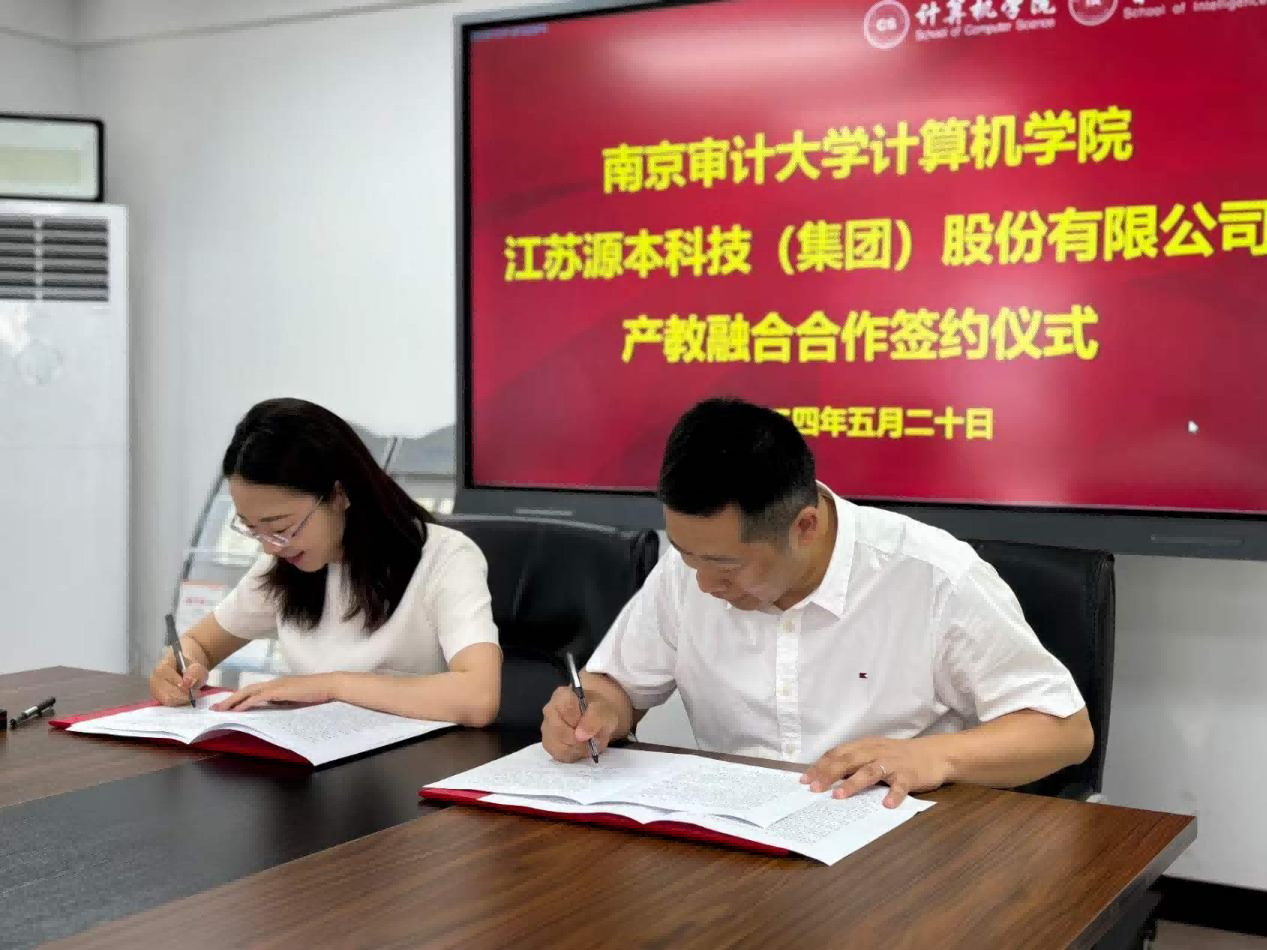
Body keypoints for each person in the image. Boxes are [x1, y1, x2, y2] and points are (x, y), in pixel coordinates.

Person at [542, 398, 1093, 806]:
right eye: (687, 555)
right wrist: (595, 712)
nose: (704, 584)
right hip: (738, 842)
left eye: (727, 567)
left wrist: (932, 756)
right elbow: (614, 686)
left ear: (805, 527)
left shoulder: (934, 578)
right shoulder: (687, 572)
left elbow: (1065, 732)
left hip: (902, 845)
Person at [148, 398, 501, 726]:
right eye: (253, 530)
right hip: (316, 757)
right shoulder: (285, 566)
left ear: (339, 494)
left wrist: (332, 686)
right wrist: (178, 667)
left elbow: (478, 697)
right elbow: (200, 643)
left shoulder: (445, 557)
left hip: (415, 764)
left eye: (281, 528)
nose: (270, 549)